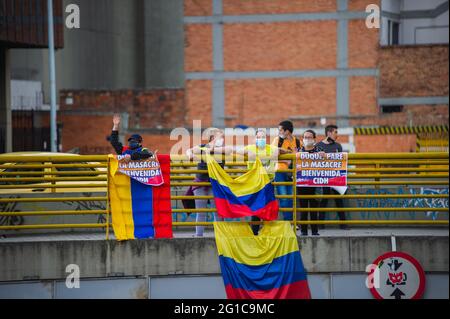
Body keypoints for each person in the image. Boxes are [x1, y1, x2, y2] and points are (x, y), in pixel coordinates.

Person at [186, 128, 231, 237]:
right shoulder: (202, 146)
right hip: (201, 183)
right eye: (220, 137)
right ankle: (198, 235)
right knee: (201, 211)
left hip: (215, 184)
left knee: (218, 211)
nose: (222, 139)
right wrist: (190, 155)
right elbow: (189, 150)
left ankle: (221, 235)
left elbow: (229, 150)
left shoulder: (223, 149)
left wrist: (211, 150)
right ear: (212, 138)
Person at [238, 129, 277, 235]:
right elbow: (238, 151)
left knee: (267, 206)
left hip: (268, 182)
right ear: (255, 139)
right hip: (255, 183)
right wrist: (248, 152)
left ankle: (267, 231)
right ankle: (255, 232)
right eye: (259, 137)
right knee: (256, 207)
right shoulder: (250, 147)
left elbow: (277, 152)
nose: (261, 139)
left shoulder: (271, 148)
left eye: (263, 137)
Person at [315, 124, 349, 230]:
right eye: (335, 132)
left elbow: (341, 162)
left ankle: (343, 225)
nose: (337, 135)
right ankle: (320, 225)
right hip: (324, 177)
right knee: (323, 200)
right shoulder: (318, 146)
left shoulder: (338, 146)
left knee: (339, 200)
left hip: (336, 178)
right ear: (329, 133)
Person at [296, 130, 324, 236]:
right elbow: (291, 167)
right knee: (303, 208)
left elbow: (328, 165)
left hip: (315, 184)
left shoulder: (320, 150)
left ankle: (315, 231)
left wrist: (324, 156)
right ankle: (303, 231)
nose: (307, 139)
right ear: (302, 139)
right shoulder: (298, 151)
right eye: (305, 137)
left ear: (314, 139)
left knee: (314, 208)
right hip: (302, 184)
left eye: (309, 137)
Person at [271, 120, 301, 221]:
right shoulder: (277, 140)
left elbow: (301, 156)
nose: (279, 132)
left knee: (292, 197)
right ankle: (288, 221)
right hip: (280, 172)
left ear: (287, 131)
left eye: (281, 130)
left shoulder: (297, 142)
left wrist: (291, 160)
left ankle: (292, 221)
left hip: (293, 172)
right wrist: (286, 160)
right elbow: (273, 154)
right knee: (284, 197)